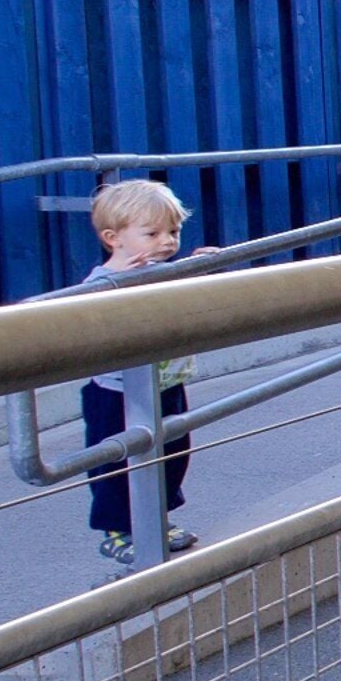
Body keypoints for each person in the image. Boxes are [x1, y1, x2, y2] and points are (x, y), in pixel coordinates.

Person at [72, 179, 215, 563]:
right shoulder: (104, 280)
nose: (166, 241)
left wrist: (197, 270)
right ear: (113, 238)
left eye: (173, 231)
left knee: (172, 449)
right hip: (115, 390)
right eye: (151, 233)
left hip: (166, 381)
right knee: (119, 457)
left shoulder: (163, 270)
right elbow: (88, 319)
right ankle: (118, 528)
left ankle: (156, 516)